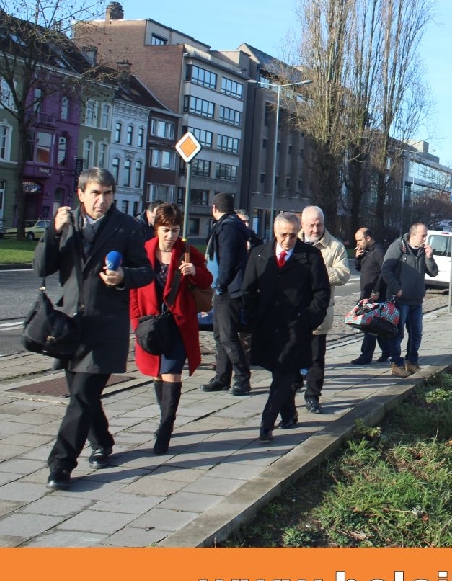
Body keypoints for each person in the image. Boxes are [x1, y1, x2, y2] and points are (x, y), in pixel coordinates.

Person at [35, 168, 153, 490]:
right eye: (96, 193)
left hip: (106, 325)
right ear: (81, 194)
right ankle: (102, 442)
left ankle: (61, 464)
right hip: (70, 326)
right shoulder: (67, 222)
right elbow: (42, 267)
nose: (102, 200)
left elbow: (145, 271)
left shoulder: (126, 227)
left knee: (83, 395)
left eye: (108, 193)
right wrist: (52, 233)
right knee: (81, 394)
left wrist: (123, 277)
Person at [129, 203, 213, 454]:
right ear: (156, 229)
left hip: (178, 325)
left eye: (175, 230)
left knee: (171, 372)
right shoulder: (144, 251)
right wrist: (137, 323)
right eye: (165, 230)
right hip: (152, 326)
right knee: (157, 374)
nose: (170, 235)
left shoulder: (187, 252)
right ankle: (164, 416)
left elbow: (207, 280)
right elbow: (133, 290)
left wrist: (194, 271)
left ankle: (165, 428)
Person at [241, 212, 330, 442]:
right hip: (268, 327)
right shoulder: (259, 254)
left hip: (296, 327)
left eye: (292, 235)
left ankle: (266, 423)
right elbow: (248, 290)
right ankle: (289, 415)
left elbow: (321, 293)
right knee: (279, 372)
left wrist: (309, 319)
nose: (288, 240)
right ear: (275, 232)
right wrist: (253, 318)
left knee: (284, 374)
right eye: (283, 235)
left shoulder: (310, 256)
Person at [294, 205, 350, 414]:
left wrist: (318, 272)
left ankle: (312, 396)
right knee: (291, 353)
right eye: (311, 225)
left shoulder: (334, 246)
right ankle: (290, 389)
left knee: (316, 357)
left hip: (320, 310)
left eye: (319, 225)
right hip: (294, 310)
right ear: (303, 224)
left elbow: (343, 274)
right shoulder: (293, 241)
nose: (315, 229)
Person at [202, 193, 254, 395]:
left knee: (228, 336)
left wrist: (221, 285)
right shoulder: (233, 224)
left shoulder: (227, 228)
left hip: (229, 290)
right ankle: (222, 377)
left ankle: (242, 378)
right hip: (230, 288)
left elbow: (227, 260)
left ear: (214, 208)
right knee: (220, 335)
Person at [380, 221, 439, 377]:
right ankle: (396, 364)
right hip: (400, 300)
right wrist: (397, 289)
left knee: (416, 333)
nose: (425, 239)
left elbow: (433, 272)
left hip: (416, 300)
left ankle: (412, 361)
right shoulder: (398, 247)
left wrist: (429, 257)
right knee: (397, 334)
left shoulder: (423, 251)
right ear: (413, 235)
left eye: (426, 235)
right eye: (423, 235)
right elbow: (386, 270)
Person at [350, 226, 388, 365]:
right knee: (375, 327)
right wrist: (357, 258)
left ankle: (366, 355)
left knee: (369, 327)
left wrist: (376, 290)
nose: (358, 243)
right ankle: (387, 351)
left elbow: (385, 271)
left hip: (375, 295)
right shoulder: (367, 251)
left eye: (360, 240)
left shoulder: (378, 251)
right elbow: (360, 269)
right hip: (366, 294)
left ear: (368, 238)